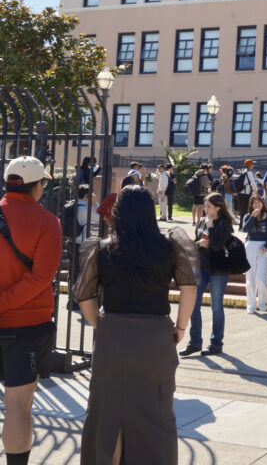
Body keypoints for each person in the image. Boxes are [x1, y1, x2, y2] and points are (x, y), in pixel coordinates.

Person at [76, 185, 197, 465]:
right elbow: (189, 286)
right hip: (156, 336)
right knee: (156, 413)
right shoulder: (169, 247)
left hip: (113, 335)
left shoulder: (103, 250)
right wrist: (180, 327)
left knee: (110, 413)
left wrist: (101, 325)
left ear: (118, 215)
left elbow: (84, 295)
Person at [0, 157, 59, 465]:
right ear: (38, 186)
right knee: (18, 407)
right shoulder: (47, 222)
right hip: (26, 325)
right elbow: (41, 277)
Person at [181, 193, 234, 357]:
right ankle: (195, 342)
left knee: (216, 307)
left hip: (218, 269)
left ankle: (216, 343)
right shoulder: (203, 221)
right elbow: (194, 243)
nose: (205, 209)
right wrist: (199, 243)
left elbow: (218, 246)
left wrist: (210, 229)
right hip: (201, 267)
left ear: (218, 207)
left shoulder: (225, 223)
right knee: (193, 305)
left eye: (208, 206)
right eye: (204, 206)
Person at [242, 192, 267, 314]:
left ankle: (263, 301)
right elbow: (245, 229)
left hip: (263, 247)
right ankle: (251, 303)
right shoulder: (247, 216)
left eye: (259, 202)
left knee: (260, 278)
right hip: (250, 245)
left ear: (262, 203)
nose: (257, 204)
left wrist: (266, 245)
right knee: (250, 277)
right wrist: (252, 217)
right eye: (254, 203)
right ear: (251, 205)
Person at [235, 159, 258, 231]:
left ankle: (241, 226)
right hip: (246, 194)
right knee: (246, 211)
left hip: (240, 194)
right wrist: (256, 190)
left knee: (242, 211)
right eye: (252, 164)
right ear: (249, 165)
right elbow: (253, 183)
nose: (253, 165)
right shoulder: (249, 173)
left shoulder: (243, 171)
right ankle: (244, 227)